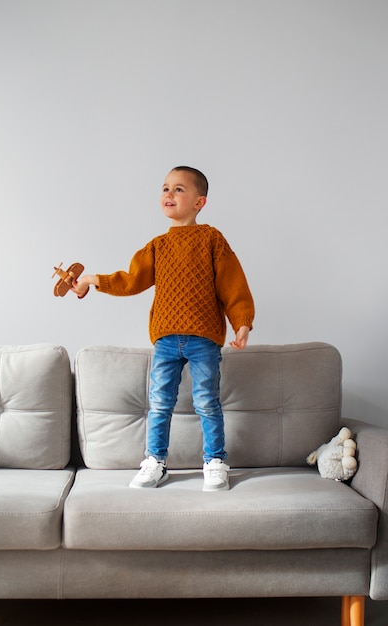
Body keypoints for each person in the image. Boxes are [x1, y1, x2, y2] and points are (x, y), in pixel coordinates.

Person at [71, 166, 255, 491]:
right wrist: (91, 280)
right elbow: (130, 280)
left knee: (207, 401)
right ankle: (155, 462)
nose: (169, 194)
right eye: (165, 188)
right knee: (159, 403)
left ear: (200, 202)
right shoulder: (157, 246)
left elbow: (233, 286)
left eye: (179, 189)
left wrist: (242, 324)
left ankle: (214, 461)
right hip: (166, 341)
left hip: (204, 340)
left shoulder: (212, 239)